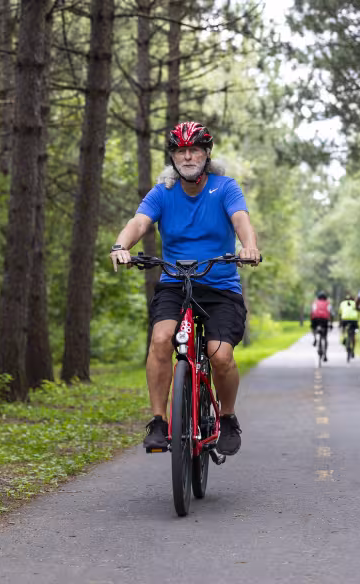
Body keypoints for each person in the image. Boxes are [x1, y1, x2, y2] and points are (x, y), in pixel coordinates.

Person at [110, 121, 260, 456]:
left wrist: (248, 247)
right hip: (175, 284)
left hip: (220, 286)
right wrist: (120, 246)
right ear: (173, 157)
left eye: (194, 150)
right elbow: (139, 222)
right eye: (181, 150)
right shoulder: (162, 192)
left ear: (206, 154)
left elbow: (241, 221)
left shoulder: (225, 188)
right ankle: (159, 422)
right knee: (162, 339)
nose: (188, 156)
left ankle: (228, 416)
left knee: (220, 355)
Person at [309, 291, 333, 361]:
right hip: (324, 320)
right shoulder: (328, 303)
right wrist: (331, 323)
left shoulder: (315, 302)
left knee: (313, 328)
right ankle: (325, 355)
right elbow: (330, 314)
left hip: (315, 319)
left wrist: (312, 321)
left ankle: (315, 339)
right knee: (325, 337)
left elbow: (312, 312)